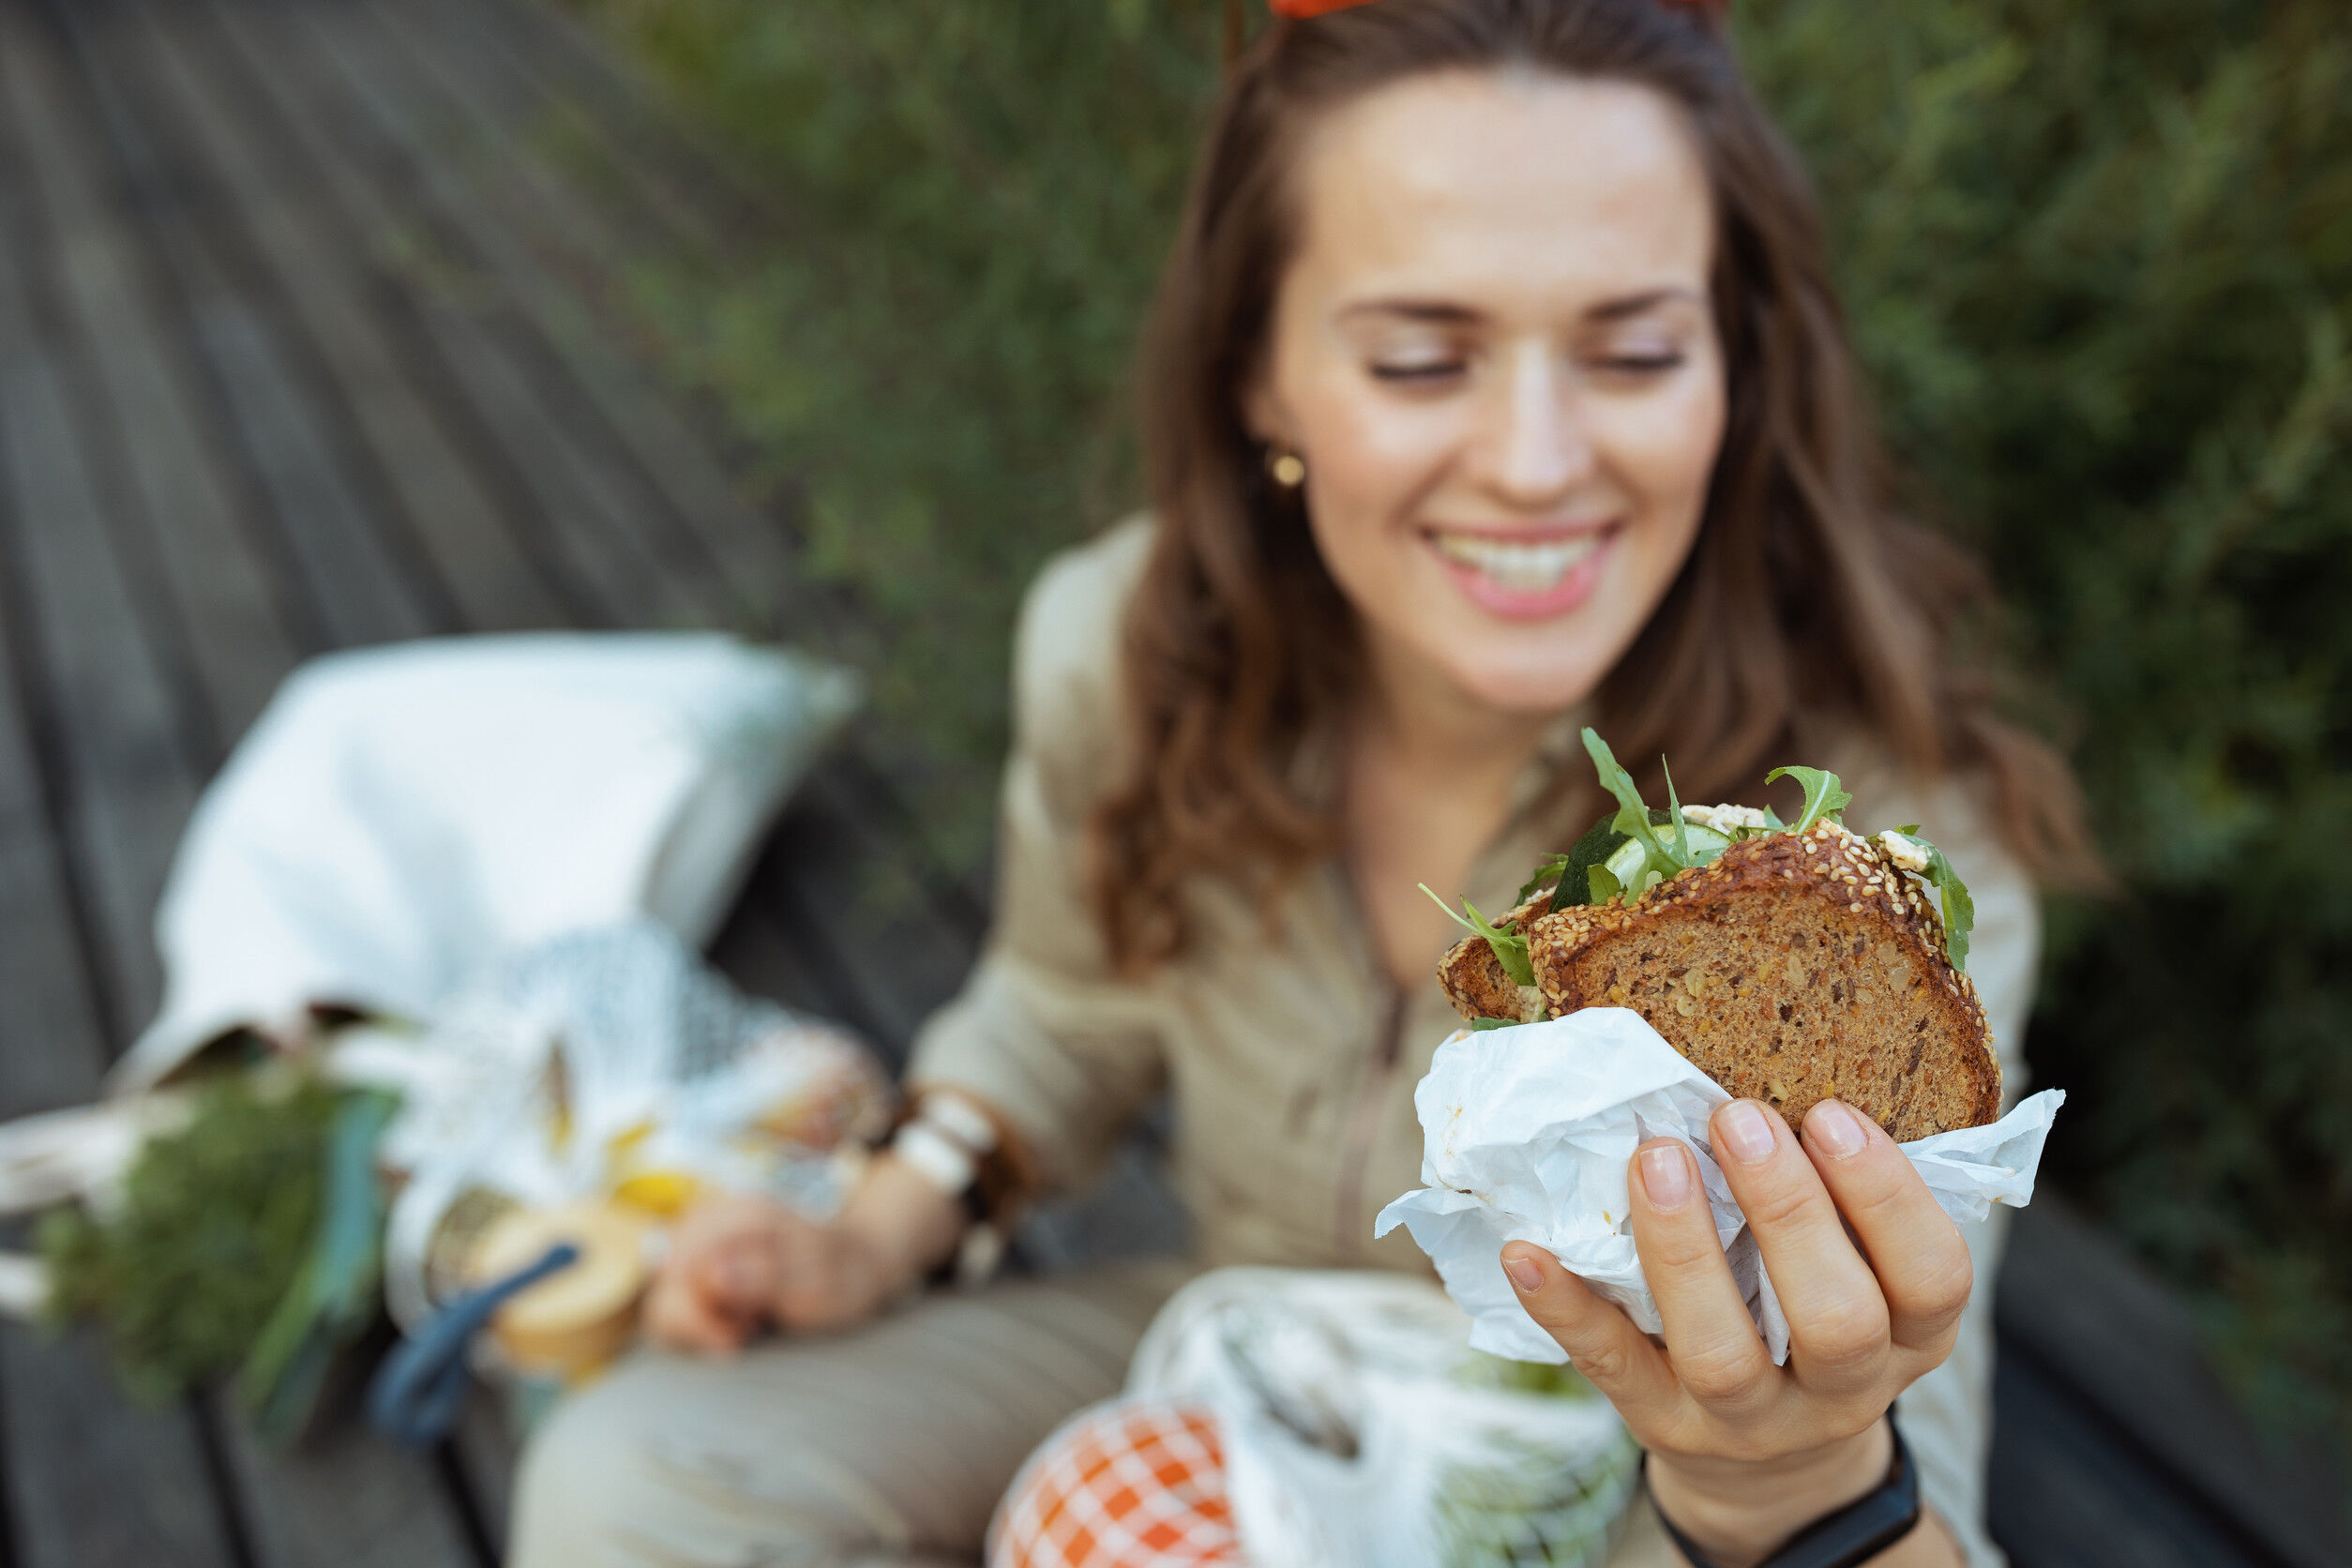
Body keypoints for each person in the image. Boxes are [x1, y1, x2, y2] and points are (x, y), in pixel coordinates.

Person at [506, 1, 2093, 1563]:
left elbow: (1913, 1473)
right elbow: (1062, 1010)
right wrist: (874, 1226)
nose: (1537, 460)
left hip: (1634, 1455)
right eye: (1421, 359)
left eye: (1633, 350)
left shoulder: (1886, 858)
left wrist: (1786, 1478)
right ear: (1260, 370)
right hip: (1247, 1327)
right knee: (634, 1479)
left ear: (1734, 372)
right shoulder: (1124, 647)